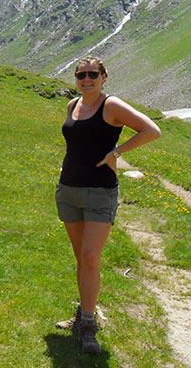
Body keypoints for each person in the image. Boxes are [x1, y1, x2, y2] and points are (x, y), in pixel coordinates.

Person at [54, 56, 161, 354]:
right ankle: (83, 313)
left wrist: (116, 152)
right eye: (80, 74)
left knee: (90, 257)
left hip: (100, 192)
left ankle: (89, 325)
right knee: (81, 259)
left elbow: (151, 130)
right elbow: (75, 143)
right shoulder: (72, 105)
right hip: (69, 191)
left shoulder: (110, 105)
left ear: (103, 77)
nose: (86, 79)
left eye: (92, 74)